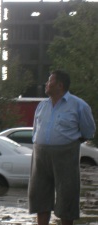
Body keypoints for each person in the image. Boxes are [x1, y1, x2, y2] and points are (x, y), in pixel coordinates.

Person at [28, 70, 96, 225]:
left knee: (67, 195)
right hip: (40, 154)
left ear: (60, 85)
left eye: (49, 81)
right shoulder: (42, 105)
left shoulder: (79, 105)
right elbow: (35, 130)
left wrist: (69, 143)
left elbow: (89, 131)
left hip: (66, 155)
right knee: (39, 195)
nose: (46, 84)